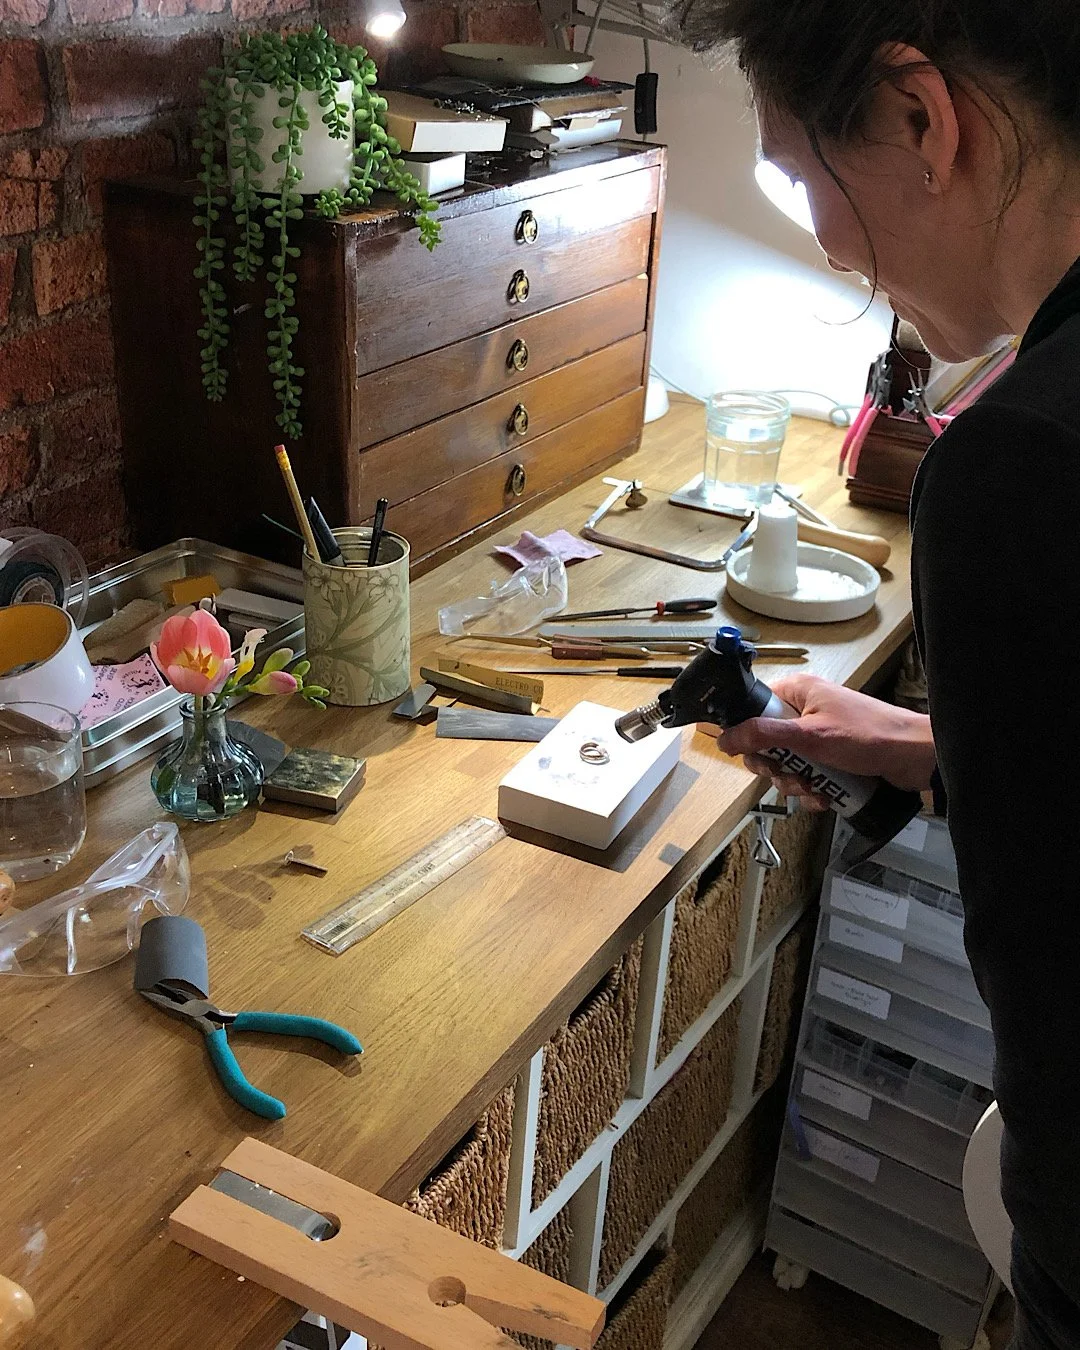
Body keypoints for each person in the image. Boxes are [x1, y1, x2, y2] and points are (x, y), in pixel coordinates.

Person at [667, 1, 1080, 1345]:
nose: (827, 245)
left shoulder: (1023, 467)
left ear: (919, 118)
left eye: (799, 176)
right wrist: (912, 743)